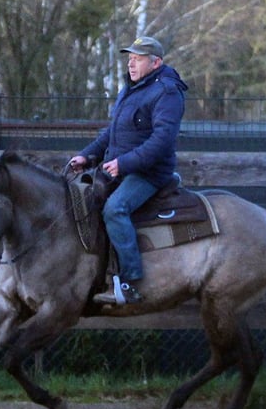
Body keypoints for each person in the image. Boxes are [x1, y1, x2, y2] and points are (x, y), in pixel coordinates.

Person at [69, 36, 188, 304]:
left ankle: (130, 281)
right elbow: (113, 133)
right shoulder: (133, 88)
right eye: (130, 58)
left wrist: (124, 163)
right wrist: (87, 156)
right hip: (121, 168)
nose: (131, 64)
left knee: (115, 209)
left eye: (138, 59)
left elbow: (162, 141)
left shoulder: (167, 92)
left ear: (156, 63)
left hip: (150, 173)